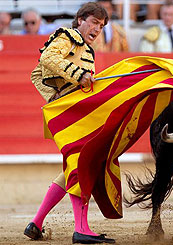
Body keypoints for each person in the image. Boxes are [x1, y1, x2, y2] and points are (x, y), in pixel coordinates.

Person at [24, 2, 115, 244]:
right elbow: (48, 58)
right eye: (94, 22)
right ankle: (81, 228)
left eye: (102, 25)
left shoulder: (87, 50)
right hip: (71, 113)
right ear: (81, 20)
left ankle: (36, 223)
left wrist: (59, 94)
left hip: (77, 112)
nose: (98, 29)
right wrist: (66, 90)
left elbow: (36, 73)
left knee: (71, 169)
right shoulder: (69, 36)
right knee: (81, 165)